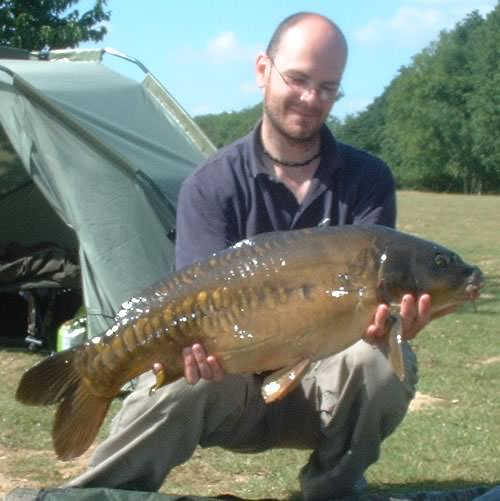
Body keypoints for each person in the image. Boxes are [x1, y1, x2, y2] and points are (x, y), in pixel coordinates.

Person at [67, 12, 446, 500]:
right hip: (230, 384)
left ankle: (333, 491)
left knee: (382, 360)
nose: (311, 99)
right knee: (179, 380)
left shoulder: (367, 178)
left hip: (320, 385)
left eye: (328, 87)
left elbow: (374, 314)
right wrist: (182, 355)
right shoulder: (211, 184)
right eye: (299, 79)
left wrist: (391, 325)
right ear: (263, 70)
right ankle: (98, 492)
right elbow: (194, 312)